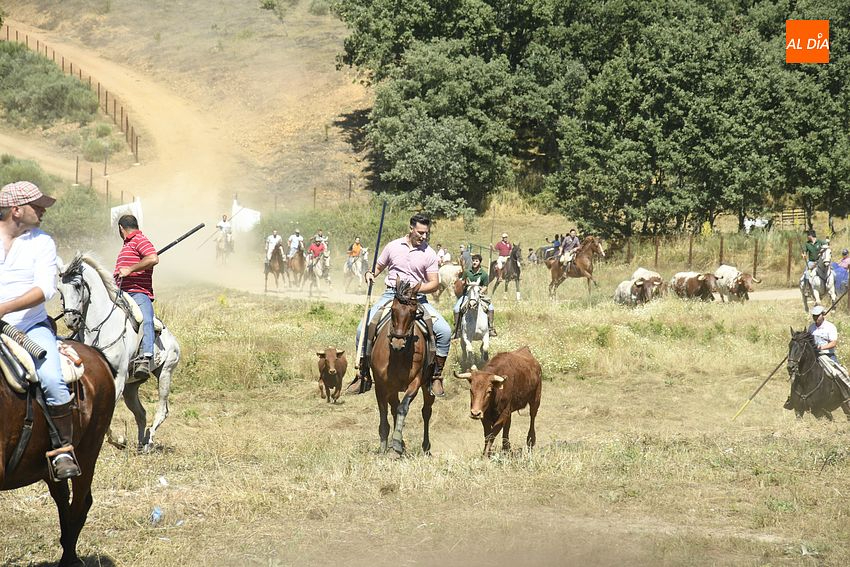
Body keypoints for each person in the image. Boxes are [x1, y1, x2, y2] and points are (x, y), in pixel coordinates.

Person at [0, 181, 80, 480]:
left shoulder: (42, 242)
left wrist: (4, 308)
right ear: (16, 210)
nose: (43, 210)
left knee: (52, 378)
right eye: (37, 206)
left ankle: (62, 450)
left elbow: (45, 289)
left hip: (29, 327)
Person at [353, 214, 451, 396]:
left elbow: (434, 283)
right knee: (361, 330)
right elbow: (378, 267)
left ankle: (436, 376)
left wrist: (416, 289)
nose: (424, 236)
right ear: (411, 228)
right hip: (391, 296)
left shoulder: (429, 253)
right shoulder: (393, 246)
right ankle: (363, 374)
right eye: (420, 232)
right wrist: (370, 273)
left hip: (417, 299)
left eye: (426, 233)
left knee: (444, 331)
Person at [114, 214, 159, 380]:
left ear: (121, 228)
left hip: (137, 292)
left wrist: (130, 269)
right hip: (120, 293)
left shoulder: (139, 240)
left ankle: (145, 358)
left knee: (146, 319)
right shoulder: (127, 244)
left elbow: (153, 258)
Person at [452, 254, 497, 338]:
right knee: (456, 308)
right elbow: (462, 282)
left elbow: (485, 286)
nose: (474, 262)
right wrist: (459, 281)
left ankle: (490, 328)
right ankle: (457, 330)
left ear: (480, 262)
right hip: (467, 295)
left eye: (476, 261)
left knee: (491, 307)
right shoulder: (467, 272)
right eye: (473, 261)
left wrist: (479, 292)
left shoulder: (483, 274)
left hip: (479, 294)